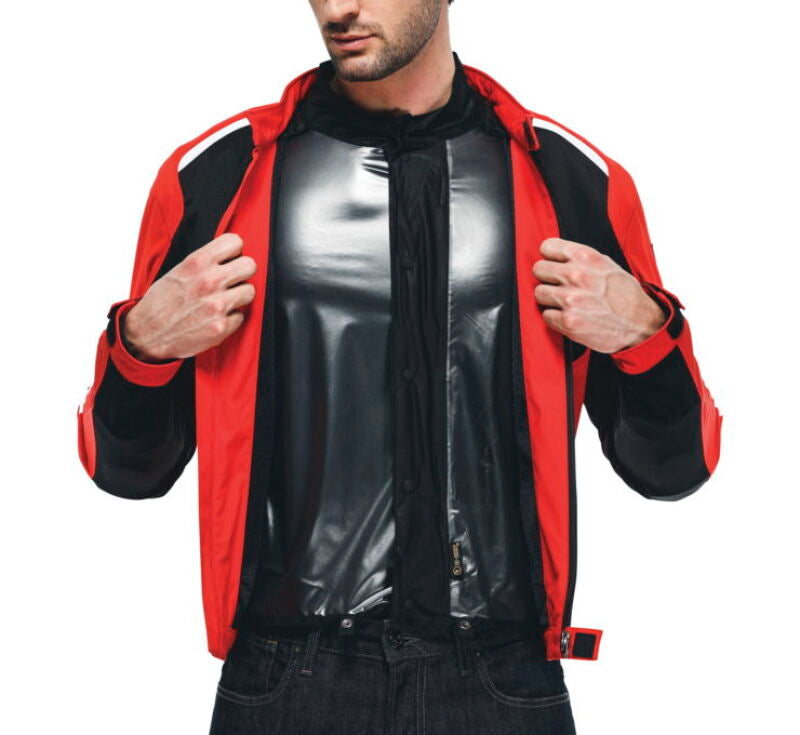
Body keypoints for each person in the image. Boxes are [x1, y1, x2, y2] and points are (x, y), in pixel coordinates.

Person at [76, 1, 723, 733]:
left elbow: (674, 469)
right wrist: (141, 345)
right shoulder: (220, 175)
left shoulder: (567, 177)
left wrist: (647, 337)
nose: (339, 7)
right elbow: (127, 471)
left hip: (502, 677)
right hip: (288, 677)